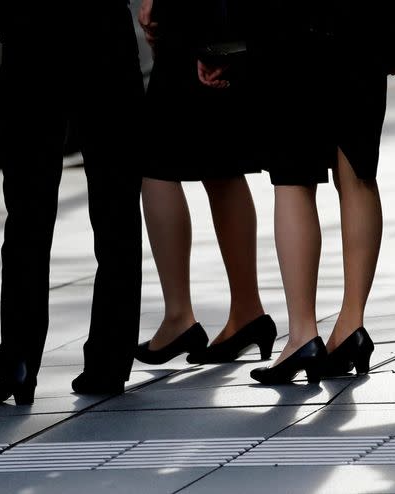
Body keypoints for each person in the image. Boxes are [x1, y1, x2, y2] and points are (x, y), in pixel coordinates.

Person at [0, 0, 145, 405]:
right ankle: (107, 361)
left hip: (33, 32)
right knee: (114, 206)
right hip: (99, 31)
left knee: (29, 210)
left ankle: (16, 362)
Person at [246, 0, 395, 384]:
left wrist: (221, 41)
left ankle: (303, 333)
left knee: (292, 179)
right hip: (362, 20)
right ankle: (352, 322)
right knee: (357, 172)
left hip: (284, 25)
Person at [133, 0, 276, 366]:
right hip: (219, 15)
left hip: (194, 16)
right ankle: (247, 310)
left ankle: (180, 316)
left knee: (156, 161)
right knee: (221, 160)